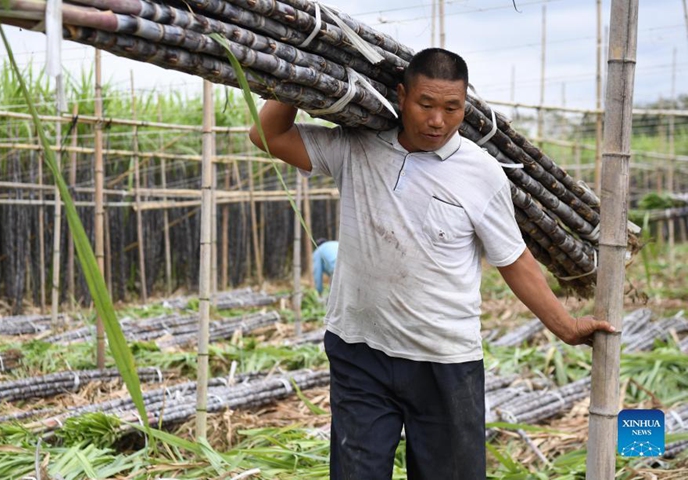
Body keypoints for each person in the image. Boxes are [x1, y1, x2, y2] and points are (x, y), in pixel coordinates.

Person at [249, 48, 615, 480]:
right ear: (402, 96)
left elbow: (514, 260)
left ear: (465, 107)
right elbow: (266, 135)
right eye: (425, 104)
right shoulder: (356, 146)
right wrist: (305, 71)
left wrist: (566, 326)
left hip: (443, 361)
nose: (437, 120)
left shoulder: (481, 173)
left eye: (451, 108)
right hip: (358, 351)